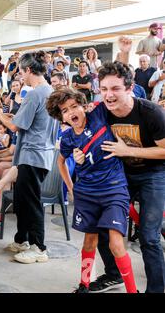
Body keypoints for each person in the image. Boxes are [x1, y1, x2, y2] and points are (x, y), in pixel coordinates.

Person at [47, 88, 137, 293]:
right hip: (86, 193)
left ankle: (133, 290)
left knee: (115, 244)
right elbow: (61, 162)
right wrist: (71, 188)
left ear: (83, 105)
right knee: (89, 241)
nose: (71, 112)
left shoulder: (98, 115)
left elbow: (113, 96)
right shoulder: (68, 138)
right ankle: (84, 285)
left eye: (74, 106)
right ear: (61, 117)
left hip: (114, 188)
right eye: (64, 110)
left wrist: (123, 55)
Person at [90, 61, 165, 294]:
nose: (108, 95)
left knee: (149, 237)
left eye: (115, 89)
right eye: (104, 89)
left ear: (130, 88)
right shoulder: (101, 111)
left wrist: (128, 151)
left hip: (154, 174)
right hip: (121, 174)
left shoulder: (151, 112)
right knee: (103, 226)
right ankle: (114, 275)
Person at [0, 51, 59, 264]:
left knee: (31, 203)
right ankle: (22, 239)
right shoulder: (50, 91)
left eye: (20, 72)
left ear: (29, 70)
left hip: (33, 155)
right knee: (22, 200)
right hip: (39, 154)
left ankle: (39, 247)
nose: (20, 76)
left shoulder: (35, 93)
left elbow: (14, 126)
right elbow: (30, 121)